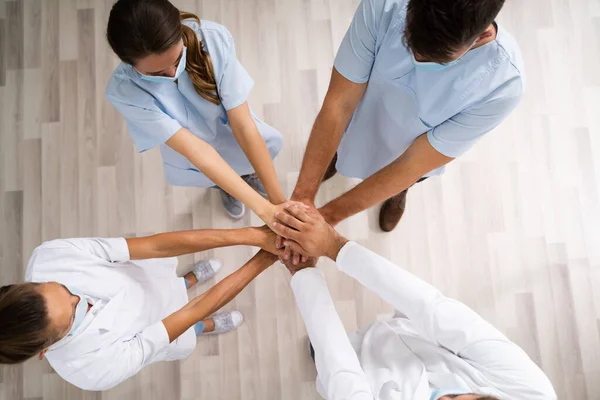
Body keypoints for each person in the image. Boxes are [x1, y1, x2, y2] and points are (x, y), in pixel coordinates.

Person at [286, 0, 524, 254]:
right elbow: (340, 103)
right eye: (409, 38)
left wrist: (326, 218)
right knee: (344, 141)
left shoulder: (502, 86)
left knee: (406, 176)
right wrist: (302, 198)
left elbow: (413, 163)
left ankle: (397, 194)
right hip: (363, 114)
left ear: (482, 35)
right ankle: (335, 157)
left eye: (434, 59)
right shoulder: (383, 5)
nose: (414, 57)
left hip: (411, 152)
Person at [272, 204, 556, 400]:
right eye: (456, 396)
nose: (443, 397)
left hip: (366, 376)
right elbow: (431, 309)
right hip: (418, 337)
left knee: (329, 354)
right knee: (410, 320)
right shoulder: (531, 391)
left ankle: (318, 350)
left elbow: (344, 377)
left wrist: (305, 273)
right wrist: (333, 245)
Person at [0, 226, 279, 391]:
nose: (78, 298)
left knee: (170, 286)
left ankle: (186, 280)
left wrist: (254, 235)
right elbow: (185, 315)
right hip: (161, 324)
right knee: (188, 325)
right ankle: (208, 326)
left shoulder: (50, 257)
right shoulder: (89, 370)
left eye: (62, 288)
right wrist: (263, 259)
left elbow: (154, 246)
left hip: (144, 278)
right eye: (73, 314)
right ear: (45, 350)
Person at [105, 0, 287, 221]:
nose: (173, 73)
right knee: (214, 176)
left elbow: (242, 124)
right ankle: (228, 187)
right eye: (157, 74)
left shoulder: (212, 39)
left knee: (247, 162)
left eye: (177, 60)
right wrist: (265, 211)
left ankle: (249, 176)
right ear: (130, 65)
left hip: (233, 131)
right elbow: (198, 152)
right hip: (193, 155)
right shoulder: (124, 91)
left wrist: (279, 204)